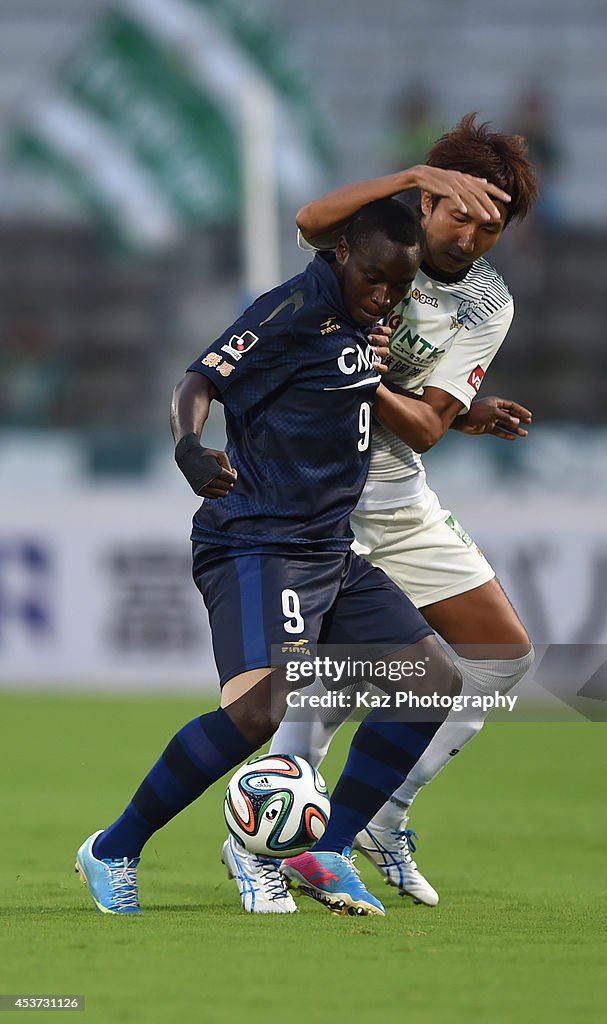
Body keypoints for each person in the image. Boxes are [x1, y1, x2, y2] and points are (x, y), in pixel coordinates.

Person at [74, 198, 473, 919]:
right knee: (259, 711)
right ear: (341, 253)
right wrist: (190, 449)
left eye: (398, 286)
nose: (384, 296)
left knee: (431, 680)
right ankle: (114, 848)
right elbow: (197, 381)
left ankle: (327, 847)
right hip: (258, 540)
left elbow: (350, 388)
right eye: (374, 279)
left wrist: (472, 411)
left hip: (328, 546)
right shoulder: (289, 310)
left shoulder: (366, 314)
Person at [225, 113, 539, 912]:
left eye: (490, 226)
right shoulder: (368, 234)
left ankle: (380, 817)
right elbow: (305, 221)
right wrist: (408, 176)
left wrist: (371, 378)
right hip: (310, 490)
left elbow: (426, 426)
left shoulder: (483, 303)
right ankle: (268, 847)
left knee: (500, 654)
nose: (469, 236)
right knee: (333, 681)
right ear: (428, 201)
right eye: (457, 211)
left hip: (395, 494)